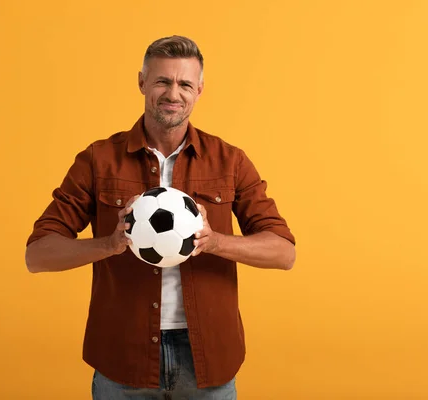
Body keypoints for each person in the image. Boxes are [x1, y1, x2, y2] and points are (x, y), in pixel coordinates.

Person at [25, 35, 296, 400]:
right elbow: (38, 255)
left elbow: (283, 252)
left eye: (185, 83)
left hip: (208, 360)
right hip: (123, 357)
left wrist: (214, 241)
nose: (173, 93)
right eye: (162, 81)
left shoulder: (229, 161)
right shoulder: (98, 160)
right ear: (142, 83)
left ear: (199, 90)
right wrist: (110, 243)